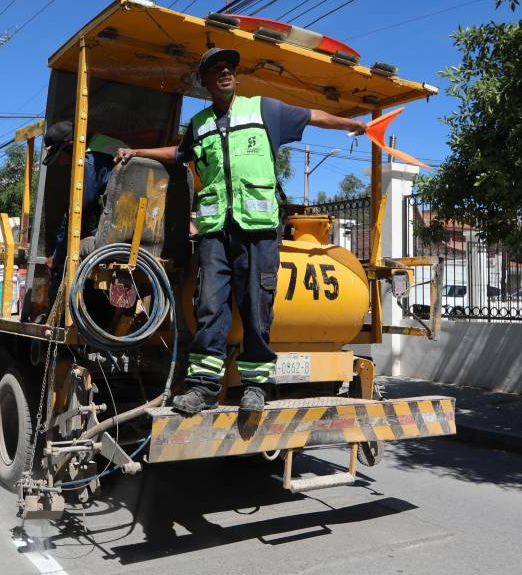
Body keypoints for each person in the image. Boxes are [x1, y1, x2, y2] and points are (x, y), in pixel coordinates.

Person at [117, 47, 367, 414]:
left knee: (256, 306)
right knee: (210, 307)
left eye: (229, 67)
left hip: (258, 229)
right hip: (215, 231)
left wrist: (354, 125)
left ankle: (255, 387)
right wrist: (136, 151)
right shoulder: (199, 125)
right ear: (204, 81)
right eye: (215, 68)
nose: (225, 72)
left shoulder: (263, 109)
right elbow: (179, 153)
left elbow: (313, 116)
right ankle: (203, 387)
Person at [40, 121, 127, 305]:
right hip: (136, 235)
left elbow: (76, 212)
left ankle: (61, 319)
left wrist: (56, 255)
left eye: (61, 156)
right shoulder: (108, 144)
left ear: (71, 146)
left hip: (115, 239)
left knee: (67, 257)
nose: (63, 162)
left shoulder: (90, 161)